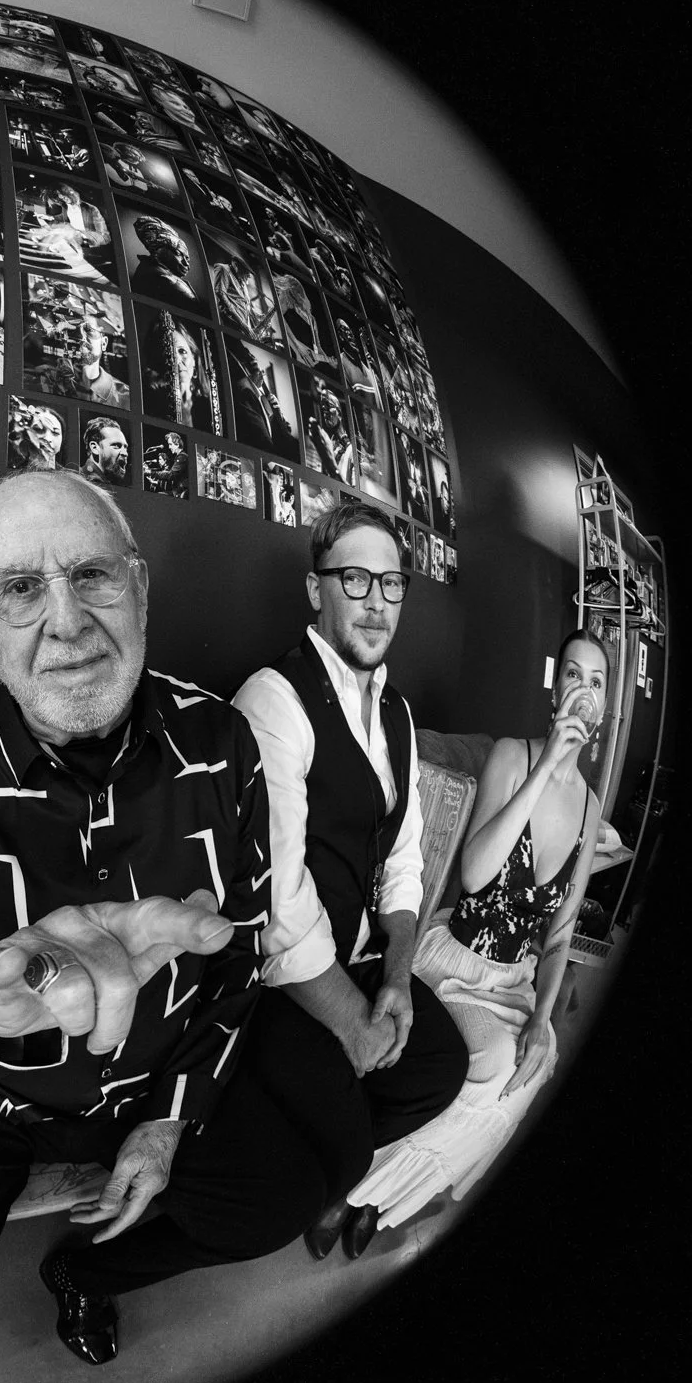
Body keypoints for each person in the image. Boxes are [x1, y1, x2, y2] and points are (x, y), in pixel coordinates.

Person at [0, 471, 326, 1365]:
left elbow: (240, 954)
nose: (66, 621)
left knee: (277, 1200)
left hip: (160, 1066)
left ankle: (87, 1278)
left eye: (94, 576)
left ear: (139, 590)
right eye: (21, 589)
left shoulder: (221, 743)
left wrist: (171, 1115)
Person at [232, 503, 467, 1260]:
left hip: (363, 956)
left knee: (442, 1065)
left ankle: (331, 1163)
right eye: (355, 578)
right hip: (280, 985)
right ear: (315, 589)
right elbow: (277, 896)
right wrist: (351, 1019)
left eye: (391, 584)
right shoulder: (273, 699)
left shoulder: (395, 711)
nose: (376, 601)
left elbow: (402, 861)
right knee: (336, 1141)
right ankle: (323, 1172)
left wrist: (396, 980)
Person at [342, 632, 619, 1250]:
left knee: (531, 1062)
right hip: (458, 958)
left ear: (604, 707)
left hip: (515, 979)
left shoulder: (591, 808)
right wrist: (549, 764)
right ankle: (350, 1182)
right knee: (490, 1059)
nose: (583, 690)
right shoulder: (511, 758)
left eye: (596, 682)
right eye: (573, 675)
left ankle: (383, 1195)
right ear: (556, 691)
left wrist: (544, 1017)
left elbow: (562, 932)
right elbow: (474, 874)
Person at [81, 417, 128, 484]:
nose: (125, 453)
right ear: (94, 448)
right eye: (116, 446)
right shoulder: (81, 480)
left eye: (125, 447)